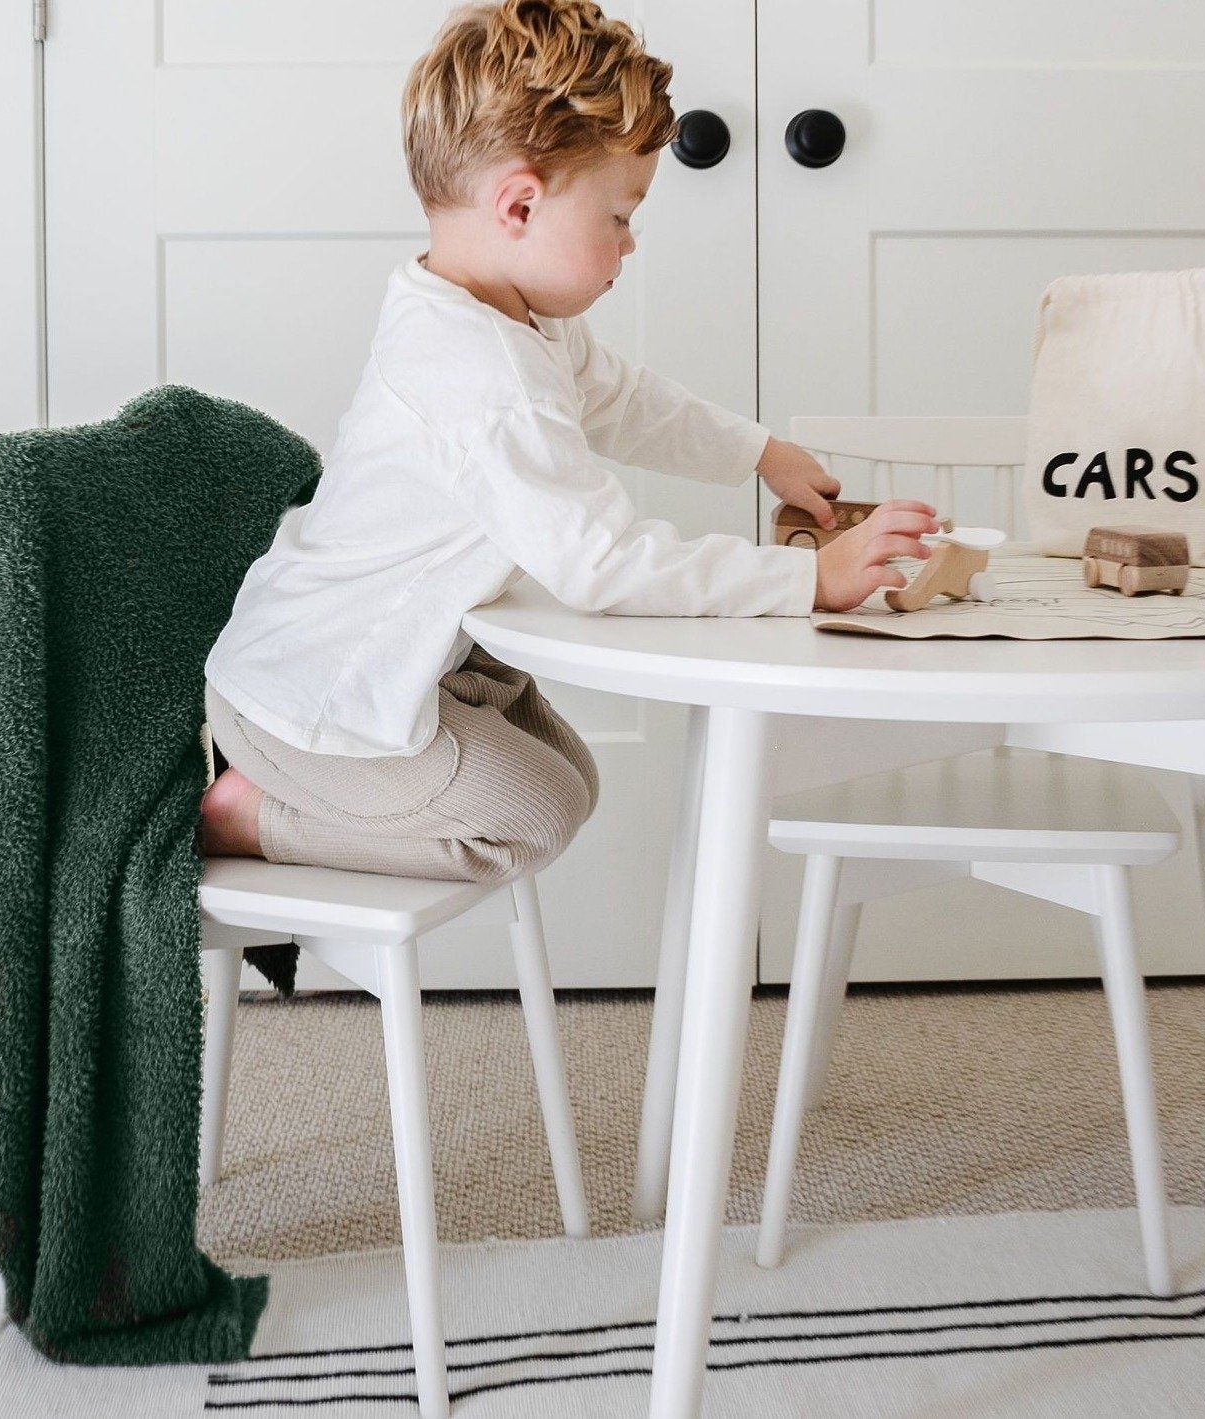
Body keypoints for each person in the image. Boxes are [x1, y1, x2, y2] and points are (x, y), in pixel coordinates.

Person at [197, 0, 938, 883]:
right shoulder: (482, 378)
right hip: (311, 701)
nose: (631, 243)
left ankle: (289, 790)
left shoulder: (496, 311)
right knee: (538, 812)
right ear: (519, 204)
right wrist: (806, 578)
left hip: (388, 661)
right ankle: (243, 814)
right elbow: (603, 565)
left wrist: (758, 452)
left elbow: (622, 399)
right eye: (619, 216)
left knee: (570, 776)